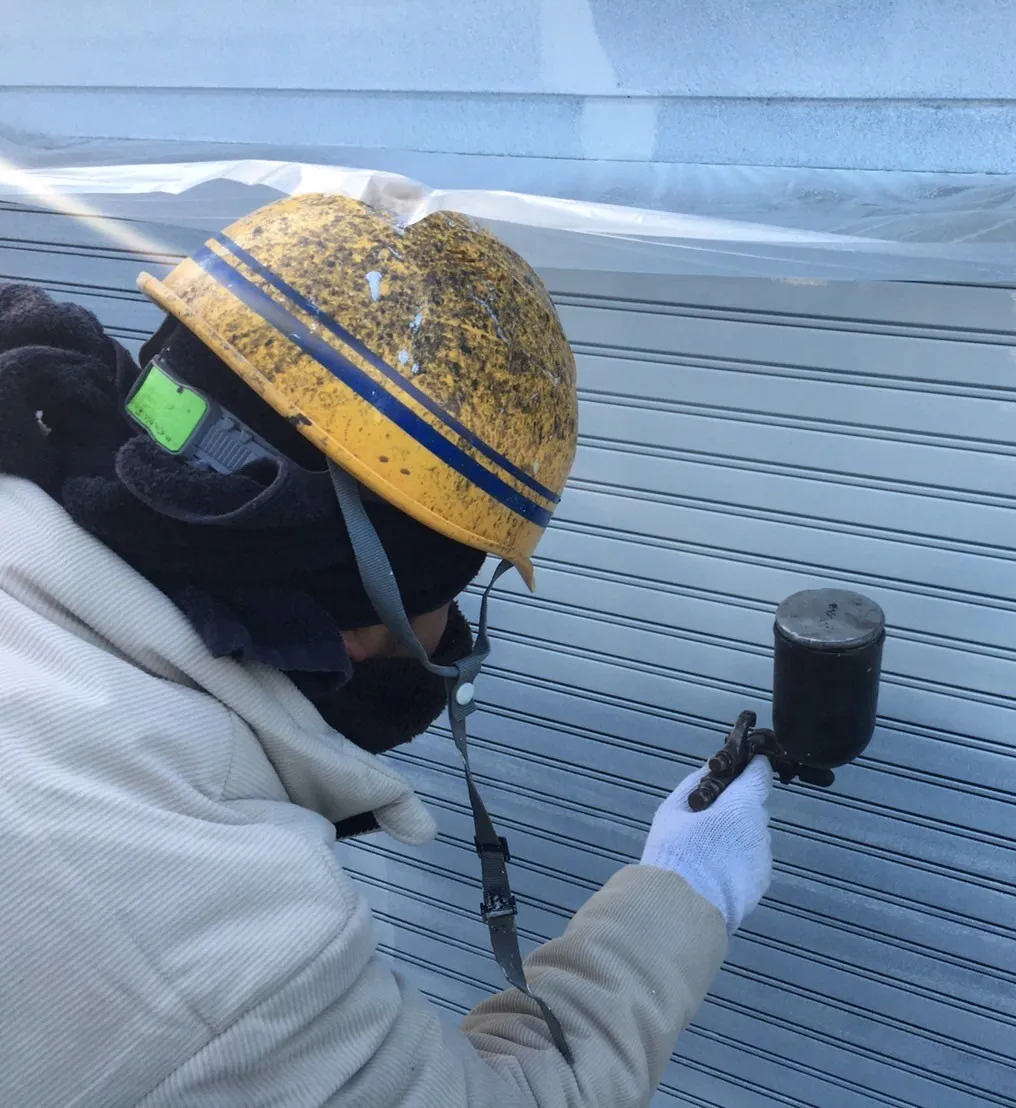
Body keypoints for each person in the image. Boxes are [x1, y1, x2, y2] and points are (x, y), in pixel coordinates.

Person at [0, 192, 774, 1106]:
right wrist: (687, 887)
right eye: (450, 592)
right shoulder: (212, 944)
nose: (452, 638)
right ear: (360, 608)